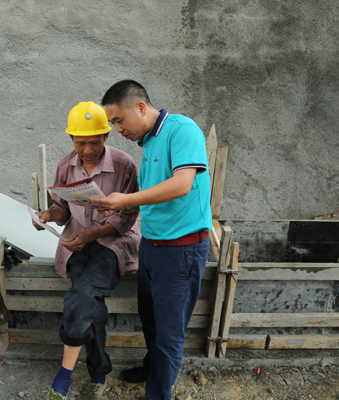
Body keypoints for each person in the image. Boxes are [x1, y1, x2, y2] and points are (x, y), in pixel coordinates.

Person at [92, 80, 212, 400]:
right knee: (151, 320)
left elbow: (182, 184)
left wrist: (125, 200)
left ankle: (158, 395)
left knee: (169, 334)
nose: (117, 129)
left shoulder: (182, 130)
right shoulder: (149, 142)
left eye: (119, 120)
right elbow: (152, 196)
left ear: (141, 107)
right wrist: (112, 205)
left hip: (181, 250)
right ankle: (152, 368)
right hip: (152, 246)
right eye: (113, 123)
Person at [32, 101, 141, 400]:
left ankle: (64, 374)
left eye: (95, 142)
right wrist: (47, 216)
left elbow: (127, 217)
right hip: (77, 243)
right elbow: (62, 209)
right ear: (71, 139)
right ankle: (98, 372)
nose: (88, 150)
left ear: (106, 136)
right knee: (91, 303)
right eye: (80, 143)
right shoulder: (65, 165)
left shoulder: (124, 165)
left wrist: (91, 234)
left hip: (114, 243)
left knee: (81, 294)